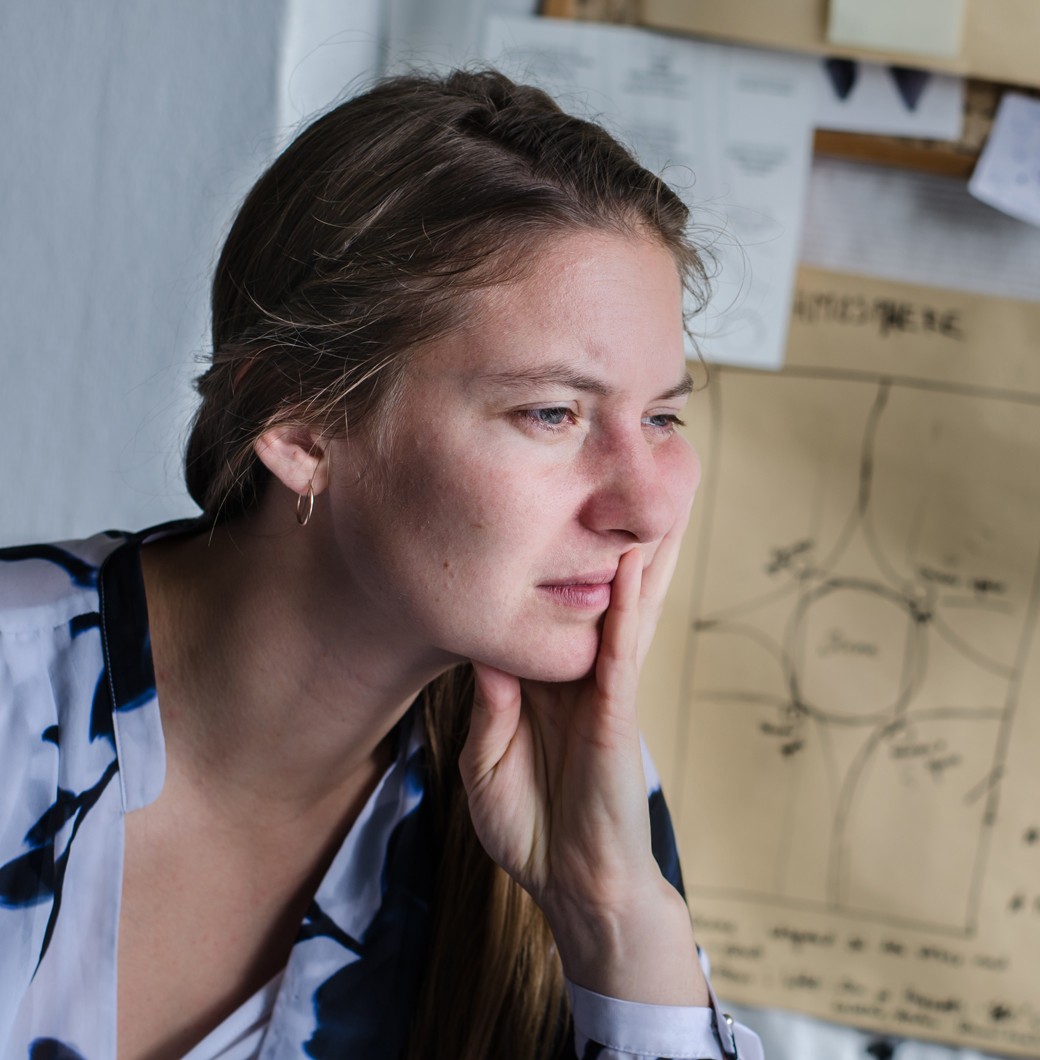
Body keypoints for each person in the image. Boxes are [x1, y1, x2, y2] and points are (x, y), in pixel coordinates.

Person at [0, 69, 762, 1060]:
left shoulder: (570, 804)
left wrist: (617, 918)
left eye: (662, 416)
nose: (650, 505)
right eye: (551, 413)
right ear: (300, 422)